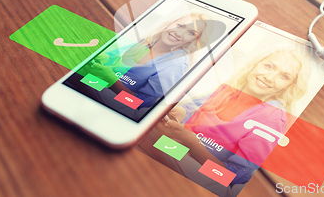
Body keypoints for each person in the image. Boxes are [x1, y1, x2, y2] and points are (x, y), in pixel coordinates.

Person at [150, 48, 312, 185]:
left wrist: (191, 142)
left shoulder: (272, 120)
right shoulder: (228, 90)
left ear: (290, 86)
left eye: (284, 76)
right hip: (175, 152)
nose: (269, 77)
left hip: (194, 173)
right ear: (255, 64)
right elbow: (190, 110)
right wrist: (180, 112)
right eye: (268, 66)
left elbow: (230, 178)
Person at [83, 12, 215, 108]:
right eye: (180, 25)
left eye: (191, 33)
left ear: (195, 40)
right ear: (170, 23)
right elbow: (115, 61)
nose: (178, 33)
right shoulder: (149, 41)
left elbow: (136, 104)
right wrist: (105, 59)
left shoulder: (175, 66)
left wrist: (112, 81)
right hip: (91, 89)